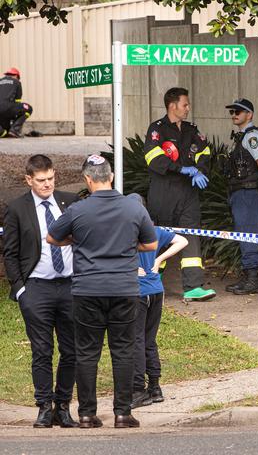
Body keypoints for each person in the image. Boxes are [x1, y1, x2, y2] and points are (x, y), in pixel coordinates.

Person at [47, 155, 158, 429]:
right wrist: (129, 245)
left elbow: (52, 237)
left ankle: (86, 414)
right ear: (111, 177)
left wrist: (78, 241)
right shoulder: (134, 208)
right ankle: (123, 413)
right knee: (123, 351)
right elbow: (151, 243)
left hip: (87, 290)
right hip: (123, 289)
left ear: (87, 179)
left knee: (86, 353)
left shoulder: (77, 210)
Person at [2, 154, 79, 428]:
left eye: (51, 179)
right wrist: (20, 289)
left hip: (70, 286)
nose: (47, 185)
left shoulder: (70, 202)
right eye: (41, 180)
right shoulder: (17, 208)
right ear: (29, 180)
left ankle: (63, 405)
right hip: (36, 288)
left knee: (71, 350)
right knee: (42, 351)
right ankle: (44, 406)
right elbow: (10, 253)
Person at [143, 87, 215, 302]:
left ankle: (193, 286)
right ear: (172, 105)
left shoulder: (192, 129)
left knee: (191, 235)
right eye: (185, 104)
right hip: (163, 192)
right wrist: (181, 169)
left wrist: (200, 170)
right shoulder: (157, 129)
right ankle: (150, 280)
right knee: (161, 238)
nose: (188, 108)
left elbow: (205, 152)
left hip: (188, 193)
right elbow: (152, 158)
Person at [127, 194, 189, 409]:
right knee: (149, 339)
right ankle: (155, 387)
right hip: (156, 290)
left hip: (137, 292)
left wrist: (132, 267)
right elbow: (183, 240)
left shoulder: (125, 232)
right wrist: (159, 259)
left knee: (136, 340)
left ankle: (138, 389)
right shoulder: (153, 231)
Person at [222, 98, 258, 295]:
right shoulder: (242, 136)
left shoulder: (252, 137)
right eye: (232, 111)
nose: (234, 114)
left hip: (249, 192)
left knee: (248, 233)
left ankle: (253, 280)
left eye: (239, 111)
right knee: (243, 233)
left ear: (249, 115)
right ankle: (247, 276)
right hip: (241, 192)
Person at [0, 67, 33, 138]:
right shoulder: (17, 82)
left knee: (5, 130)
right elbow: (17, 102)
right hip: (8, 107)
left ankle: (2, 131)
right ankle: (14, 129)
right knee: (28, 108)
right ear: (16, 76)